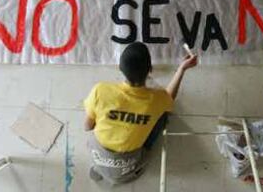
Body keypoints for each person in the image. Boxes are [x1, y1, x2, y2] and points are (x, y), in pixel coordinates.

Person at [84, 42, 197, 185]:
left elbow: (87, 126)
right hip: (128, 166)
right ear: (150, 69)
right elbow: (170, 98)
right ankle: (124, 173)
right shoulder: (157, 99)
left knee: (97, 126)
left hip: (98, 156)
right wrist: (182, 68)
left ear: (120, 68)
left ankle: (103, 172)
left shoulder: (100, 90)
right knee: (163, 115)